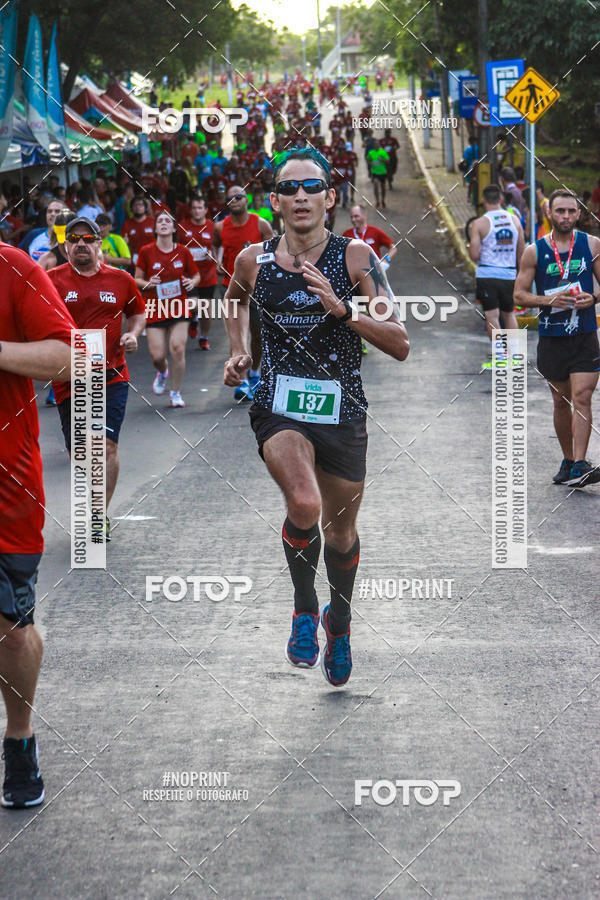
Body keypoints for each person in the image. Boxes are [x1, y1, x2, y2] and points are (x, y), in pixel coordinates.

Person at [222, 148, 409, 686]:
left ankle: (339, 623)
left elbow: (399, 343)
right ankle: (305, 608)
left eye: (311, 187)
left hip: (342, 410)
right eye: (289, 188)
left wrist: (343, 310)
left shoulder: (357, 258)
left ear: (330, 197)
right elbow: (234, 301)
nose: (300, 196)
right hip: (279, 405)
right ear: (274, 201)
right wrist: (239, 351)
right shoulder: (253, 261)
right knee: (304, 502)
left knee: (340, 532)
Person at [0, 241, 75, 808]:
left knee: (10, 626)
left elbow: (67, 356)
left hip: (7, 487)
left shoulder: (13, 268)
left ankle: (19, 737)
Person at [49, 217, 146, 537]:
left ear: (98, 243)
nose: (81, 244)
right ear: (65, 246)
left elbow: (137, 312)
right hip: (70, 377)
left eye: (87, 239)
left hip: (111, 374)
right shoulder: (51, 281)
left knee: (105, 447)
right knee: (80, 453)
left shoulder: (120, 279)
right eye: (74, 239)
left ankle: (97, 513)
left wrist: (133, 334)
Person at [514, 189, 600, 486]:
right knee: (561, 401)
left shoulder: (592, 245)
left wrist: (594, 298)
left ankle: (580, 464)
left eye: (571, 211)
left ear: (579, 214)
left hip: (584, 335)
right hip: (552, 337)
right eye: (560, 211)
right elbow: (519, 295)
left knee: (582, 397)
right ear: (548, 213)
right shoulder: (534, 251)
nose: (566, 216)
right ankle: (568, 459)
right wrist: (547, 300)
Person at [212, 186, 273, 401]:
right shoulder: (220, 227)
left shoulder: (260, 224)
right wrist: (217, 261)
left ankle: (254, 372)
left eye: (239, 196)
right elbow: (215, 245)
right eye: (230, 198)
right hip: (230, 287)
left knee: (258, 334)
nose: (235, 200)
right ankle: (244, 380)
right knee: (236, 336)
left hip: (257, 289)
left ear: (246, 199)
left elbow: (273, 251)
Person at [135, 210, 200, 408]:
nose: (163, 223)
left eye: (167, 221)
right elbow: (136, 279)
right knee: (157, 356)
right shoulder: (146, 251)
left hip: (178, 305)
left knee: (178, 348)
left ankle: (175, 393)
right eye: (160, 221)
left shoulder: (183, 251)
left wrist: (191, 282)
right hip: (154, 307)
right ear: (155, 228)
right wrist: (148, 283)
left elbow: (196, 276)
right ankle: (162, 372)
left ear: (173, 228)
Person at [468, 184, 524, 365]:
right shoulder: (515, 220)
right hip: (509, 274)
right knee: (509, 314)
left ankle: (500, 357)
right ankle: (515, 356)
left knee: (492, 316)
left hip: (487, 275)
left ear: (483, 200)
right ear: (500, 198)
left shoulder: (479, 223)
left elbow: (474, 255)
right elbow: (521, 253)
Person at [178, 195, 218, 350]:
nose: (197, 211)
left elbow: (218, 248)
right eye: (194, 208)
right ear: (190, 210)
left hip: (208, 275)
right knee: (193, 306)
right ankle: (194, 319)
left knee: (206, 310)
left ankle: (204, 337)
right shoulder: (182, 227)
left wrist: (213, 256)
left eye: (200, 208)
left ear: (206, 210)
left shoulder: (213, 227)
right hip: (188, 276)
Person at [121, 196, 155, 267]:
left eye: (140, 204)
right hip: (135, 261)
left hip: (153, 258)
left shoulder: (153, 222)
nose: (138, 207)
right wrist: (124, 243)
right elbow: (123, 244)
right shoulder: (126, 224)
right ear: (131, 209)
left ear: (145, 208)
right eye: (135, 205)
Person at [28, 199, 65, 263]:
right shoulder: (34, 234)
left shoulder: (71, 238)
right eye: (49, 211)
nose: (52, 214)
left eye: (57, 211)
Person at [366, 139, 389, 209]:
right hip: (375, 172)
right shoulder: (371, 152)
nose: (376, 146)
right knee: (375, 185)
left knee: (383, 187)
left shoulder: (383, 152)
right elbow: (368, 159)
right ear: (374, 146)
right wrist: (370, 163)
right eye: (375, 145)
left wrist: (382, 160)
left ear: (379, 145)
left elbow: (388, 161)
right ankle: (377, 201)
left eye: (377, 144)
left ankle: (383, 200)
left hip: (382, 172)